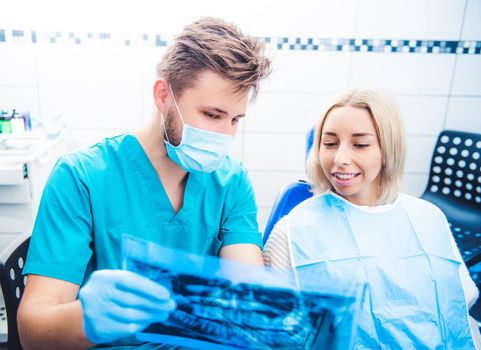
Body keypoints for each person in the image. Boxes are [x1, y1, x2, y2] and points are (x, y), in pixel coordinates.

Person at [18, 17, 271, 349]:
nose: (226, 134)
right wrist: (86, 319)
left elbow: (245, 290)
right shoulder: (81, 178)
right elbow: (33, 333)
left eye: (235, 119)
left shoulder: (231, 182)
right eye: (211, 115)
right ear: (163, 94)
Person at [263, 89, 481, 349]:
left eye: (360, 144)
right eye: (330, 143)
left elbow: (460, 305)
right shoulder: (294, 229)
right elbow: (269, 325)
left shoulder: (428, 218)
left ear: (387, 148)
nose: (340, 159)